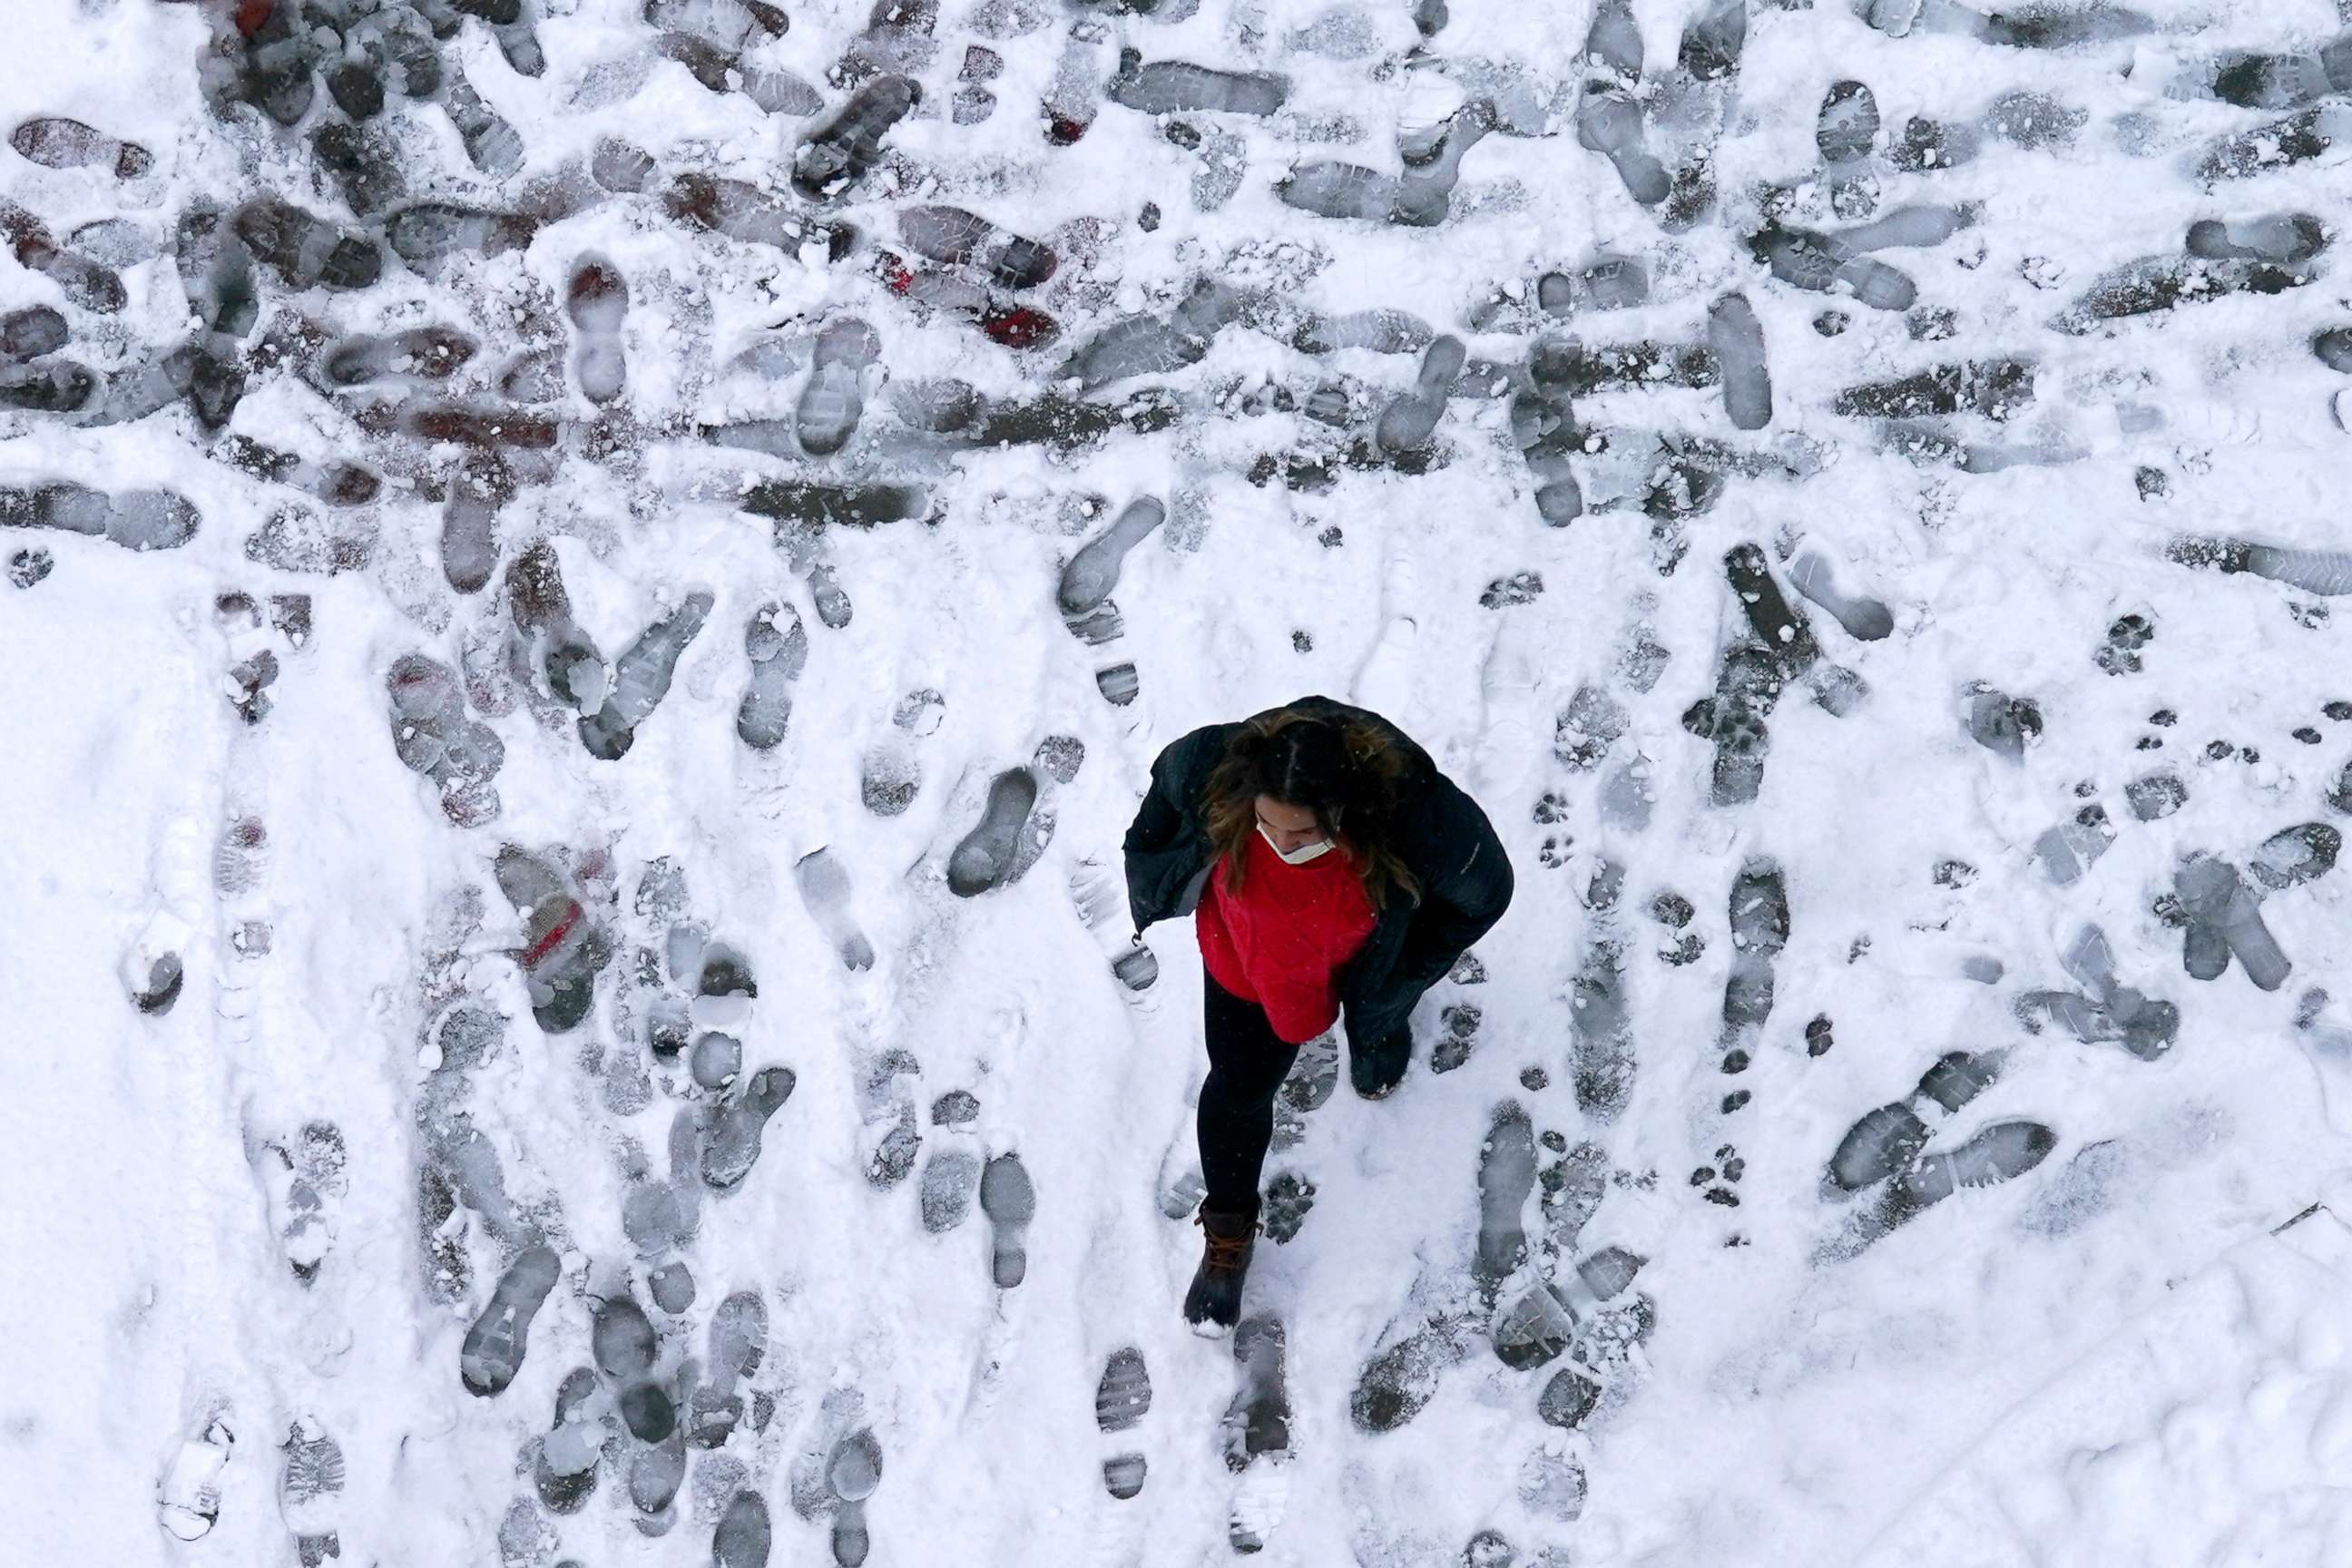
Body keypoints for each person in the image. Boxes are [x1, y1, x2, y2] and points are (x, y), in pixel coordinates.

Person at [1122, 695, 1514, 1329]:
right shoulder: (1215, 767)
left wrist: (1410, 966)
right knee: (1240, 1087)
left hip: (1359, 955)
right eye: (1266, 826)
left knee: (1378, 1017)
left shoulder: (1412, 815)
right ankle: (1229, 1232)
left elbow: (1484, 891)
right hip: (1248, 957)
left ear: (1342, 812)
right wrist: (1152, 868)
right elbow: (1164, 796)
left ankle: (1380, 1031)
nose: (1280, 844)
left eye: (1302, 833)